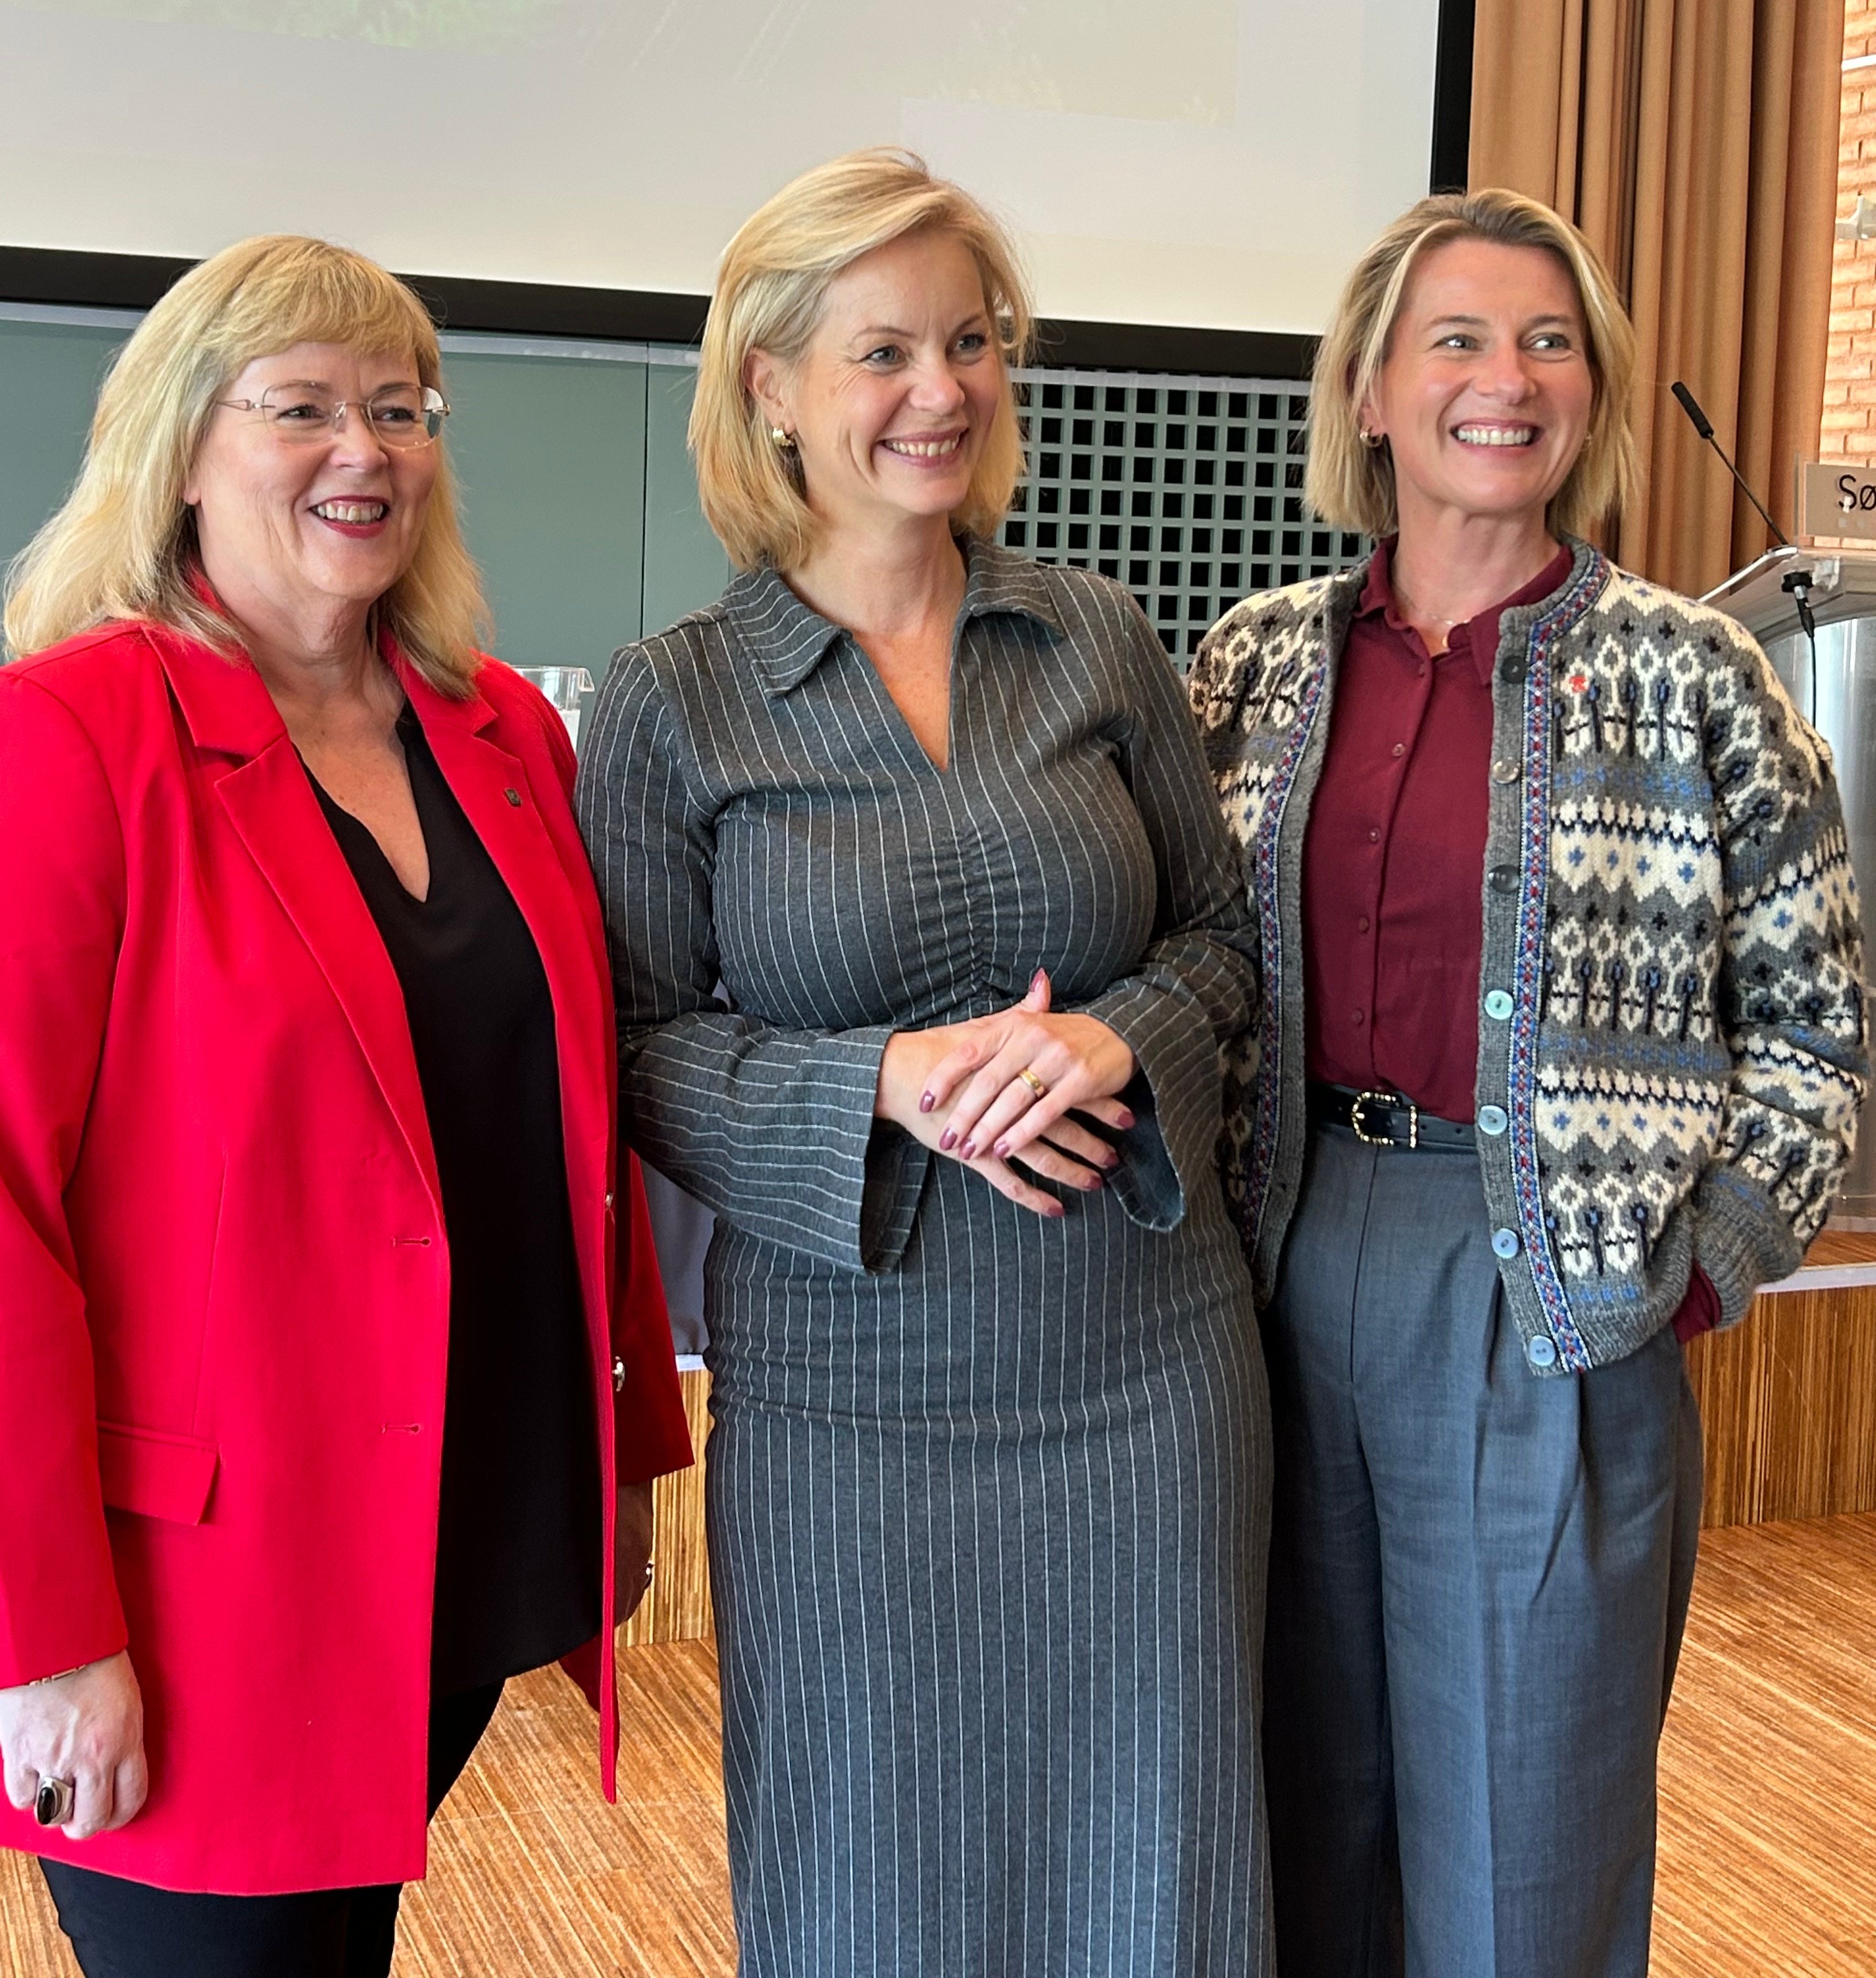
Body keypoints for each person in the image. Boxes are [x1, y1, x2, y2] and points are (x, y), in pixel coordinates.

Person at [578, 149, 1272, 1978]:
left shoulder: (1096, 633)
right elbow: (634, 1045)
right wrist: (880, 1082)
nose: (939, 391)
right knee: (873, 1871)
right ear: (771, 389)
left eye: (968, 342)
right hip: (847, 1408)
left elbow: (1225, 944)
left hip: (1145, 1370)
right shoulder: (668, 700)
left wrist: (1116, 1035)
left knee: (1160, 1860)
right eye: (880, 352)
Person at [1187, 187, 1866, 1978]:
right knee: (1289, 1799)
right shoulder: (1251, 666)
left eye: (1550, 343)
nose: (1509, 379)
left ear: (1593, 393)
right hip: (1274, 1271)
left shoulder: (1699, 679)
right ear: (1371, 393)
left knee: (1527, 1835)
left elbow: (1817, 1030)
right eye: (1460, 340)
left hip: (1551, 1291)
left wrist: (1699, 1263)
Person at [0, 236, 690, 1977]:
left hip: (460, 1520)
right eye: (300, 406)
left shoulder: (502, 731)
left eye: (401, 407)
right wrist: (43, 1637)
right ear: (181, 446)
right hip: (198, 1588)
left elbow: (571, 1120)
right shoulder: (69, 736)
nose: (364, 449)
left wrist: (618, 1456)